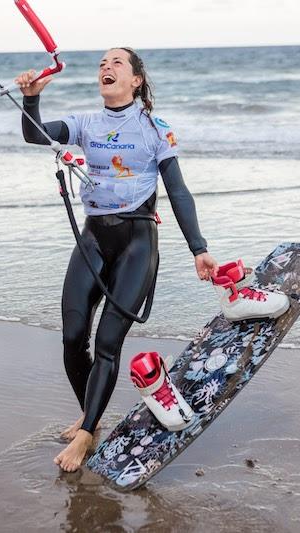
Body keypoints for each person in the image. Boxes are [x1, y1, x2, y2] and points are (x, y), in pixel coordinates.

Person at [16, 47, 217, 472]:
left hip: (137, 240)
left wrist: (199, 249)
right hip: (93, 237)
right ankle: (91, 414)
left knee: (107, 341)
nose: (106, 67)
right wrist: (31, 98)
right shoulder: (86, 123)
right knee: (73, 336)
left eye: (117, 63)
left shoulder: (154, 128)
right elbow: (35, 134)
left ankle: (87, 432)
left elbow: (178, 193)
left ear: (136, 80)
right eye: (102, 63)